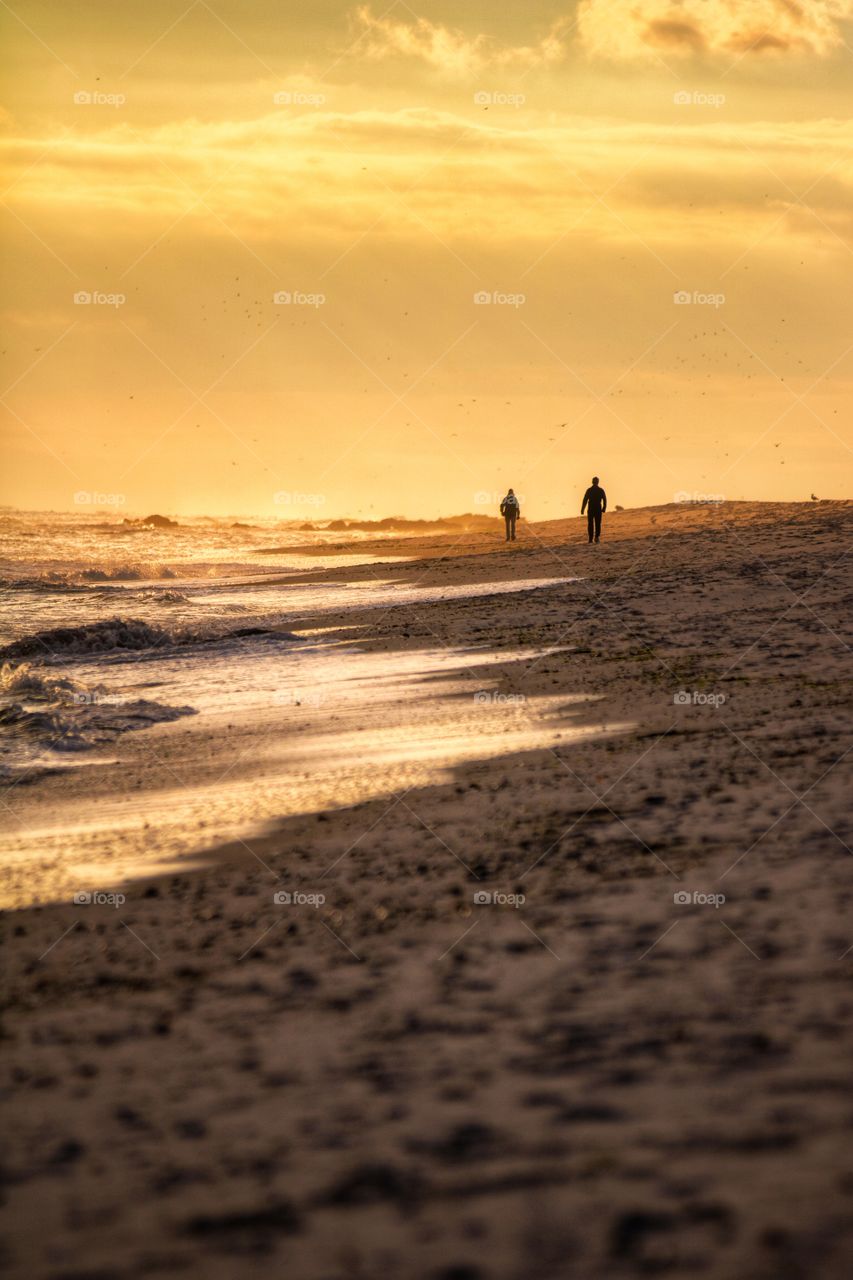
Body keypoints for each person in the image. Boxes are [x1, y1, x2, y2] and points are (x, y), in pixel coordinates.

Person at [581, 476, 607, 543]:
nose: (595, 482)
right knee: (595, 523)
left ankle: (594, 538)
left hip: (593, 509)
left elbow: (585, 500)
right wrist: (604, 507)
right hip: (595, 508)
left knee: (593, 523)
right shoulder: (597, 490)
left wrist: (582, 509)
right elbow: (604, 499)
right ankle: (594, 538)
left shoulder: (591, 490)